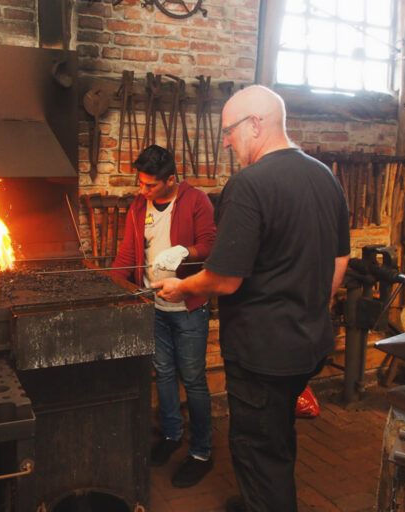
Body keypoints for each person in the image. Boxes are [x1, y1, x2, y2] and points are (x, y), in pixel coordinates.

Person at [154, 86, 350, 511]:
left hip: (263, 355)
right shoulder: (324, 175)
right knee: (276, 436)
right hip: (309, 343)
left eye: (228, 131)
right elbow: (340, 258)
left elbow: (224, 281)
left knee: (256, 452)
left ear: (255, 125)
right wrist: (311, 304)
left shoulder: (247, 185)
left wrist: (180, 287)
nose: (225, 141)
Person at [111, 144, 217, 488]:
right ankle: (172, 435)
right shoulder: (139, 206)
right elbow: (129, 252)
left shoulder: (196, 200)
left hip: (188, 307)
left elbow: (210, 246)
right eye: (141, 184)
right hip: (153, 307)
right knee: (165, 375)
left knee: (194, 379)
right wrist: (111, 288)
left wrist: (186, 251)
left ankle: (201, 451)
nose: (143, 191)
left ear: (171, 178)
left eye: (151, 185)